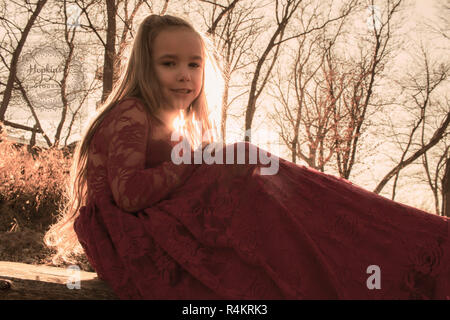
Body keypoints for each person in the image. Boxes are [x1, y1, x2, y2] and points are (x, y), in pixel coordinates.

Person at [44, 14, 450, 300]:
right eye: (169, 64)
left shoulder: (165, 122)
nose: (185, 74)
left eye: (194, 64)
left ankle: (405, 241)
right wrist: (199, 159)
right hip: (131, 239)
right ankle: (409, 244)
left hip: (153, 225)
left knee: (262, 175)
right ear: (144, 67)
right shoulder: (131, 112)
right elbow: (129, 195)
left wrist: (207, 157)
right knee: (245, 166)